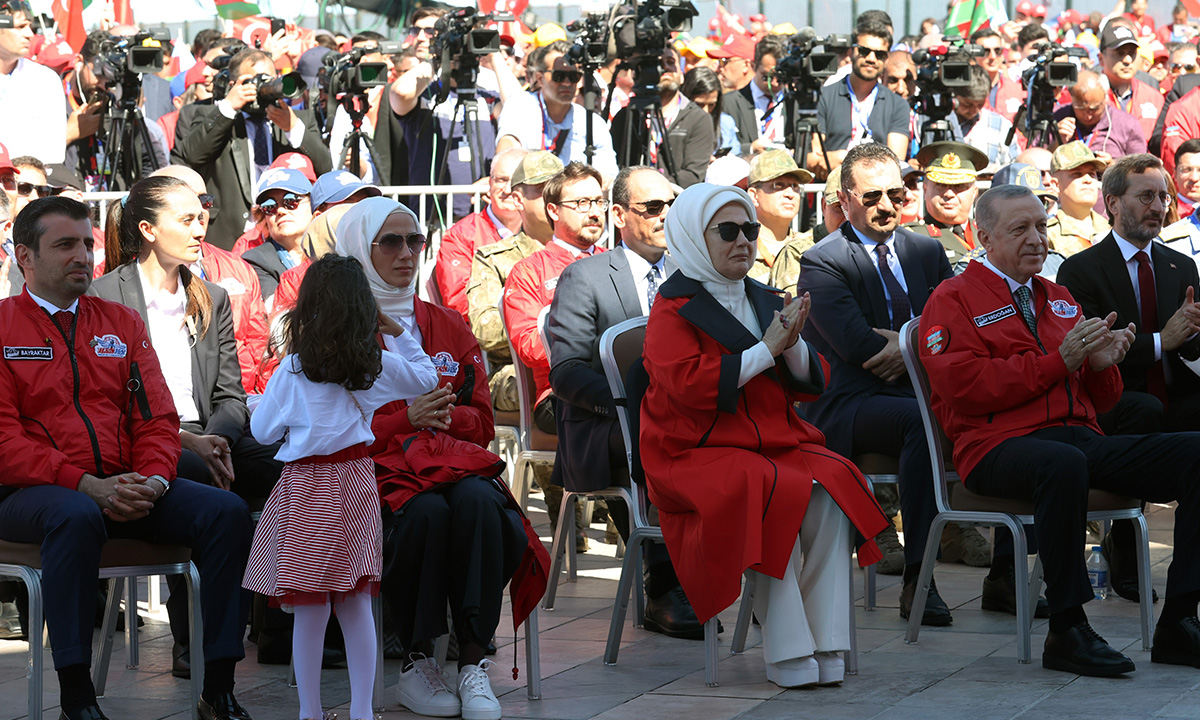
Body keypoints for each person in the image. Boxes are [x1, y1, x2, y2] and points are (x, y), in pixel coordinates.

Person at [918, 182, 1200, 677]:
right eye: (1019, 228)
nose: (1036, 239)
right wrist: (1057, 362)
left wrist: (1101, 365)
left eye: (1042, 227)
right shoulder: (952, 297)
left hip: (1077, 440)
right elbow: (965, 388)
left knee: (1196, 451)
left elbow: (1103, 401)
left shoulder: (1059, 297)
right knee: (1064, 463)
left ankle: (1179, 620)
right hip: (995, 449)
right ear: (982, 235)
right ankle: (1068, 628)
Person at [0, 195, 255, 720]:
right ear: (24, 256)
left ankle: (220, 687)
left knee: (225, 511)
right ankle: (77, 697)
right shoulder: (3, 327)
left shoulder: (120, 322)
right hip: (30, 494)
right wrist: (84, 484)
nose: (81, 256)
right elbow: (5, 442)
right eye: (64, 245)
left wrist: (156, 481)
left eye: (86, 244)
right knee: (73, 516)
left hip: (124, 486)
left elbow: (157, 420)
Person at [640, 182, 888, 688]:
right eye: (727, 231)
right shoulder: (673, 308)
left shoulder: (762, 295)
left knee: (832, 487)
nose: (744, 241)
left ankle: (826, 640)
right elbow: (687, 386)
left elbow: (810, 374)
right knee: (767, 490)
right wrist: (767, 349)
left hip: (769, 440)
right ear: (691, 236)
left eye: (750, 230)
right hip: (693, 450)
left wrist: (792, 346)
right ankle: (787, 648)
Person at [329, 197, 546, 720]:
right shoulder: (336, 330)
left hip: (452, 464)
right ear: (361, 250)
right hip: (369, 475)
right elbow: (329, 429)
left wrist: (440, 418)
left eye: (416, 240)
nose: (408, 254)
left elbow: (483, 420)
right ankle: (418, 660)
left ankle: (471, 662)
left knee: (478, 504)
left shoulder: (446, 322)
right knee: (426, 514)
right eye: (392, 242)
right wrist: (408, 419)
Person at [799, 143, 1032, 624]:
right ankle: (917, 581)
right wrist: (925, 342)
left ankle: (1006, 577)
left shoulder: (926, 251)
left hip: (924, 389)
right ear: (845, 200)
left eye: (896, 193)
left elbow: (961, 329)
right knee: (917, 425)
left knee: (1013, 409)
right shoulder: (822, 261)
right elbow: (859, 349)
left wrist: (907, 344)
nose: (887, 205)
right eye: (872, 197)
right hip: (852, 403)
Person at [245, 253, 438, 720]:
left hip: (305, 487)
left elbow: (263, 433)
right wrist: (398, 331)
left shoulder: (291, 369)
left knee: (311, 608)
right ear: (362, 309)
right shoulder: (372, 365)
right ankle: (361, 712)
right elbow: (427, 378)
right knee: (355, 604)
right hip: (354, 482)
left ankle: (309, 711)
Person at [546, 166, 703, 638]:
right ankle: (663, 587)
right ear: (619, 215)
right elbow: (566, 371)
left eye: (671, 205)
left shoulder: (690, 272)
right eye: (652, 207)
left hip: (680, 418)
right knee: (653, 437)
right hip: (606, 424)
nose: (665, 215)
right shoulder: (584, 277)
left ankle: (742, 573)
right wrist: (628, 402)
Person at [1057, 153, 1200, 603]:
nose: (1158, 206)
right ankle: (1125, 550)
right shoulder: (1081, 270)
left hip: (1174, 391)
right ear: (1113, 203)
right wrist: (1164, 340)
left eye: (1163, 196)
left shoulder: (1181, 265)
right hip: (1114, 399)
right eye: (1145, 197)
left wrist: (1191, 334)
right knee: (1143, 409)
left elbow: (1188, 345)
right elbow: (1097, 352)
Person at [171, 47, 332, 251]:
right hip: (227, 238)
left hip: (282, 236)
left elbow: (325, 167)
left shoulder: (298, 120)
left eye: (269, 80)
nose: (262, 87)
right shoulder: (208, 115)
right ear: (233, 84)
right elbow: (192, 156)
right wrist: (229, 107)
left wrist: (292, 127)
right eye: (254, 81)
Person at [502, 161, 605, 437]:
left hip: (619, 383)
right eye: (582, 203)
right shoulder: (529, 271)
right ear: (553, 210)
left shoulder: (616, 259)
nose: (594, 212)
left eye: (598, 202)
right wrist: (597, 343)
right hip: (560, 394)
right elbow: (527, 344)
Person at [494, 41, 618, 181]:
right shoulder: (520, 105)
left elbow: (609, 175)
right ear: (540, 78)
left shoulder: (592, 122)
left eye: (573, 77)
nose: (566, 83)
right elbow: (507, 152)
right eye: (558, 76)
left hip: (573, 199)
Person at [434, 149, 525, 321]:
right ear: (489, 183)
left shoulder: (544, 231)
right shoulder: (459, 237)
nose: (507, 189)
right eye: (501, 180)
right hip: (482, 339)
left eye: (516, 182)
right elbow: (459, 303)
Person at [812, 20, 910, 176]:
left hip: (875, 194)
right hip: (831, 192)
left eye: (880, 54)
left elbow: (895, 162)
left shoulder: (898, 105)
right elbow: (812, 158)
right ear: (851, 52)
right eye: (864, 51)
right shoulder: (824, 96)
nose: (871, 59)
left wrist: (842, 159)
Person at [610, 46, 713, 188]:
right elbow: (614, 167)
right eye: (657, 64)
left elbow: (692, 175)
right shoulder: (626, 116)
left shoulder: (698, 119)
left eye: (671, 62)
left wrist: (649, 188)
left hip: (676, 203)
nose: (665, 68)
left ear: (682, 74)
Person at [0, 1, 67, 164]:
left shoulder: (46, 81)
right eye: (20, 27)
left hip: (28, 186)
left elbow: (53, 155)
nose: (30, 34)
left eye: (30, 27)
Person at [904, 141, 988, 266]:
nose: (949, 194)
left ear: (974, 192)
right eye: (940, 185)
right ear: (926, 189)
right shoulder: (912, 238)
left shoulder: (988, 232)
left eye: (959, 186)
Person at [241, 168, 314, 308]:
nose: (280, 210)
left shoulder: (332, 248)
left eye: (290, 201)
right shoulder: (255, 261)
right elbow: (279, 314)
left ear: (312, 205)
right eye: (270, 207)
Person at [745, 150, 814, 283]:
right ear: (754, 195)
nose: (790, 193)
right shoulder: (741, 248)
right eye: (778, 185)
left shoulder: (810, 248)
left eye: (795, 186)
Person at [1053, 70, 1146, 161]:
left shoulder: (1127, 124)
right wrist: (1057, 142)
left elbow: (1139, 169)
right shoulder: (1056, 117)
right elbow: (1040, 162)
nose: (1088, 116)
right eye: (1080, 107)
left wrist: (1112, 167)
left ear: (1105, 98)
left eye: (1094, 108)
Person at [939, 65, 1018, 171]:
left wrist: (1000, 171)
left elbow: (1014, 166)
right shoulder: (939, 123)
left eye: (980, 104)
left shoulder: (1001, 125)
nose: (973, 110)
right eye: (967, 105)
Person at [721, 35, 786, 156]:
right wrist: (751, 148)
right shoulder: (729, 103)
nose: (774, 83)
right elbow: (722, 147)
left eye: (780, 76)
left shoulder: (795, 102)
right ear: (754, 66)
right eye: (766, 76)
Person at [1099, 24, 1163, 144]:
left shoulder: (1154, 97)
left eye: (1132, 53)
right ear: (1101, 59)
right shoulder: (1091, 95)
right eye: (1119, 53)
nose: (1128, 60)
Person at [1046, 142, 1110, 257]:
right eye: (1077, 174)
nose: (1087, 180)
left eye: (1092, 174)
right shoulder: (1048, 234)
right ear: (1056, 185)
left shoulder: (1111, 229)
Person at [682, 66, 740, 157]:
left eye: (711, 105)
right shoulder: (675, 124)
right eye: (699, 105)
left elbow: (736, 153)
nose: (705, 111)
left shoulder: (725, 123)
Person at [971, 27, 1024, 121]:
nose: (993, 56)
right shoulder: (964, 91)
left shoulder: (1018, 89)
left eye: (997, 51)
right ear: (973, 56)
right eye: (985, 52)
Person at [1163, 139, 1200, 260]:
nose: (1194, 178)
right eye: (1186, 170)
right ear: (1174, 172)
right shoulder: (1163, 210)